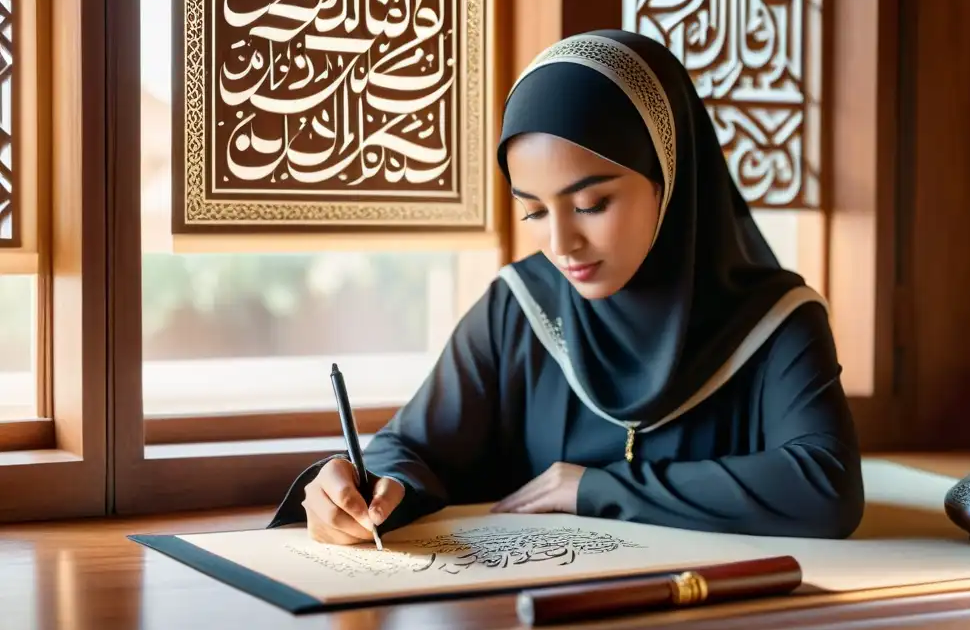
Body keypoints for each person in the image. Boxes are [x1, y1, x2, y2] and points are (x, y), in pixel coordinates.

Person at [268, 29, 865, 548]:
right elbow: (415, 446)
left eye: (590, 203)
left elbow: (825, 486)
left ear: (672, 177)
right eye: (533, 212)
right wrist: (365, 487)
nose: (561, 244)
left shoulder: (777, 321)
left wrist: (594, 487)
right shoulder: (521, 307)